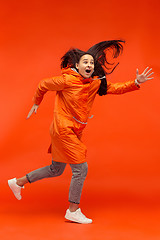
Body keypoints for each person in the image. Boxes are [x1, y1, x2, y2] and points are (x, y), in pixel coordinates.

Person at [8, 40, 154, 224]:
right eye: (85, 62)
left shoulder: (93, 83)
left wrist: (135, 82)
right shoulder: (67, 80)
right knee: (81, 168)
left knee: (56, 169)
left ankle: (18, 182)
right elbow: (43, 84)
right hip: (63, 129)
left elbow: (113, 88)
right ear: (77, 65)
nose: (89, 65)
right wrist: (36, 102)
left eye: (91, 63)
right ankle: (73, 209)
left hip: (74, 131)